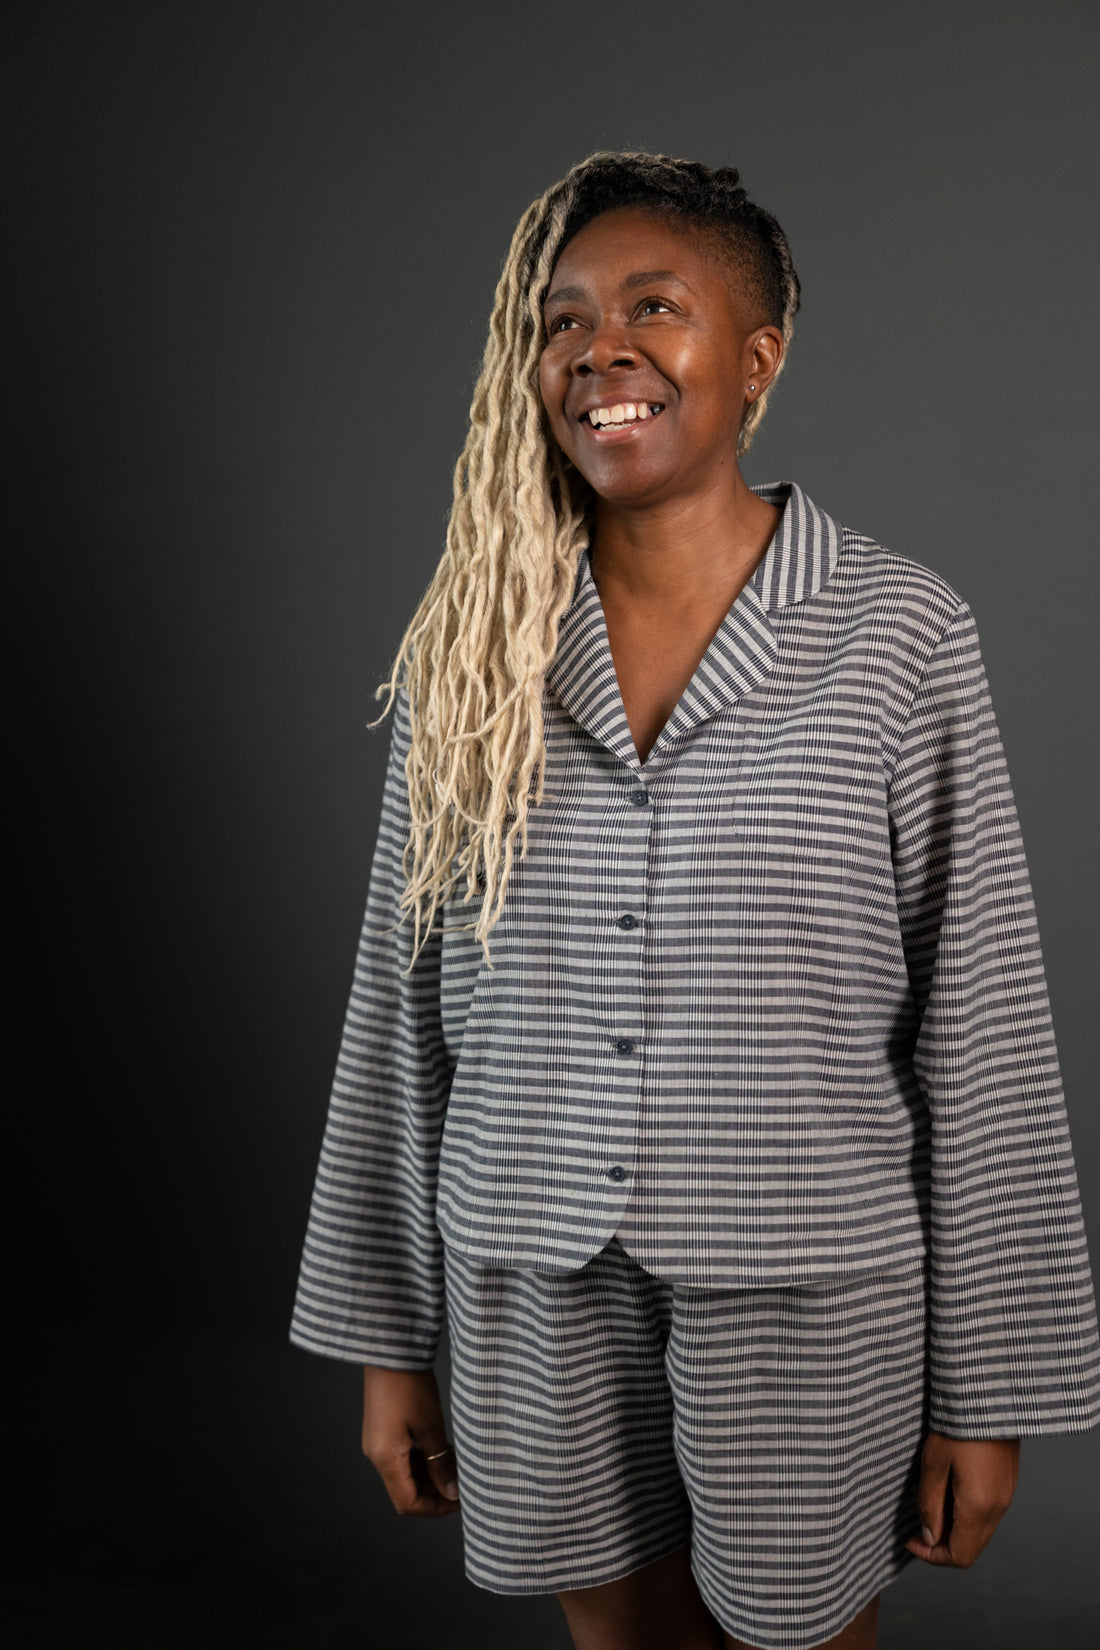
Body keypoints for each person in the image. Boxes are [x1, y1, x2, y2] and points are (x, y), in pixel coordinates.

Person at [290, 152, 1100, 1650]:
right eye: (564, 319)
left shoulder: (900, 635)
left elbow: (983, 1028)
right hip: (530, 1284)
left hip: (812, 1294)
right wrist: (388, 1344)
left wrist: (990, 1392)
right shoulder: (476, 650)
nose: (599, 348)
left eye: (653, 308)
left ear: (758, 357)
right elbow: (398, 1016)